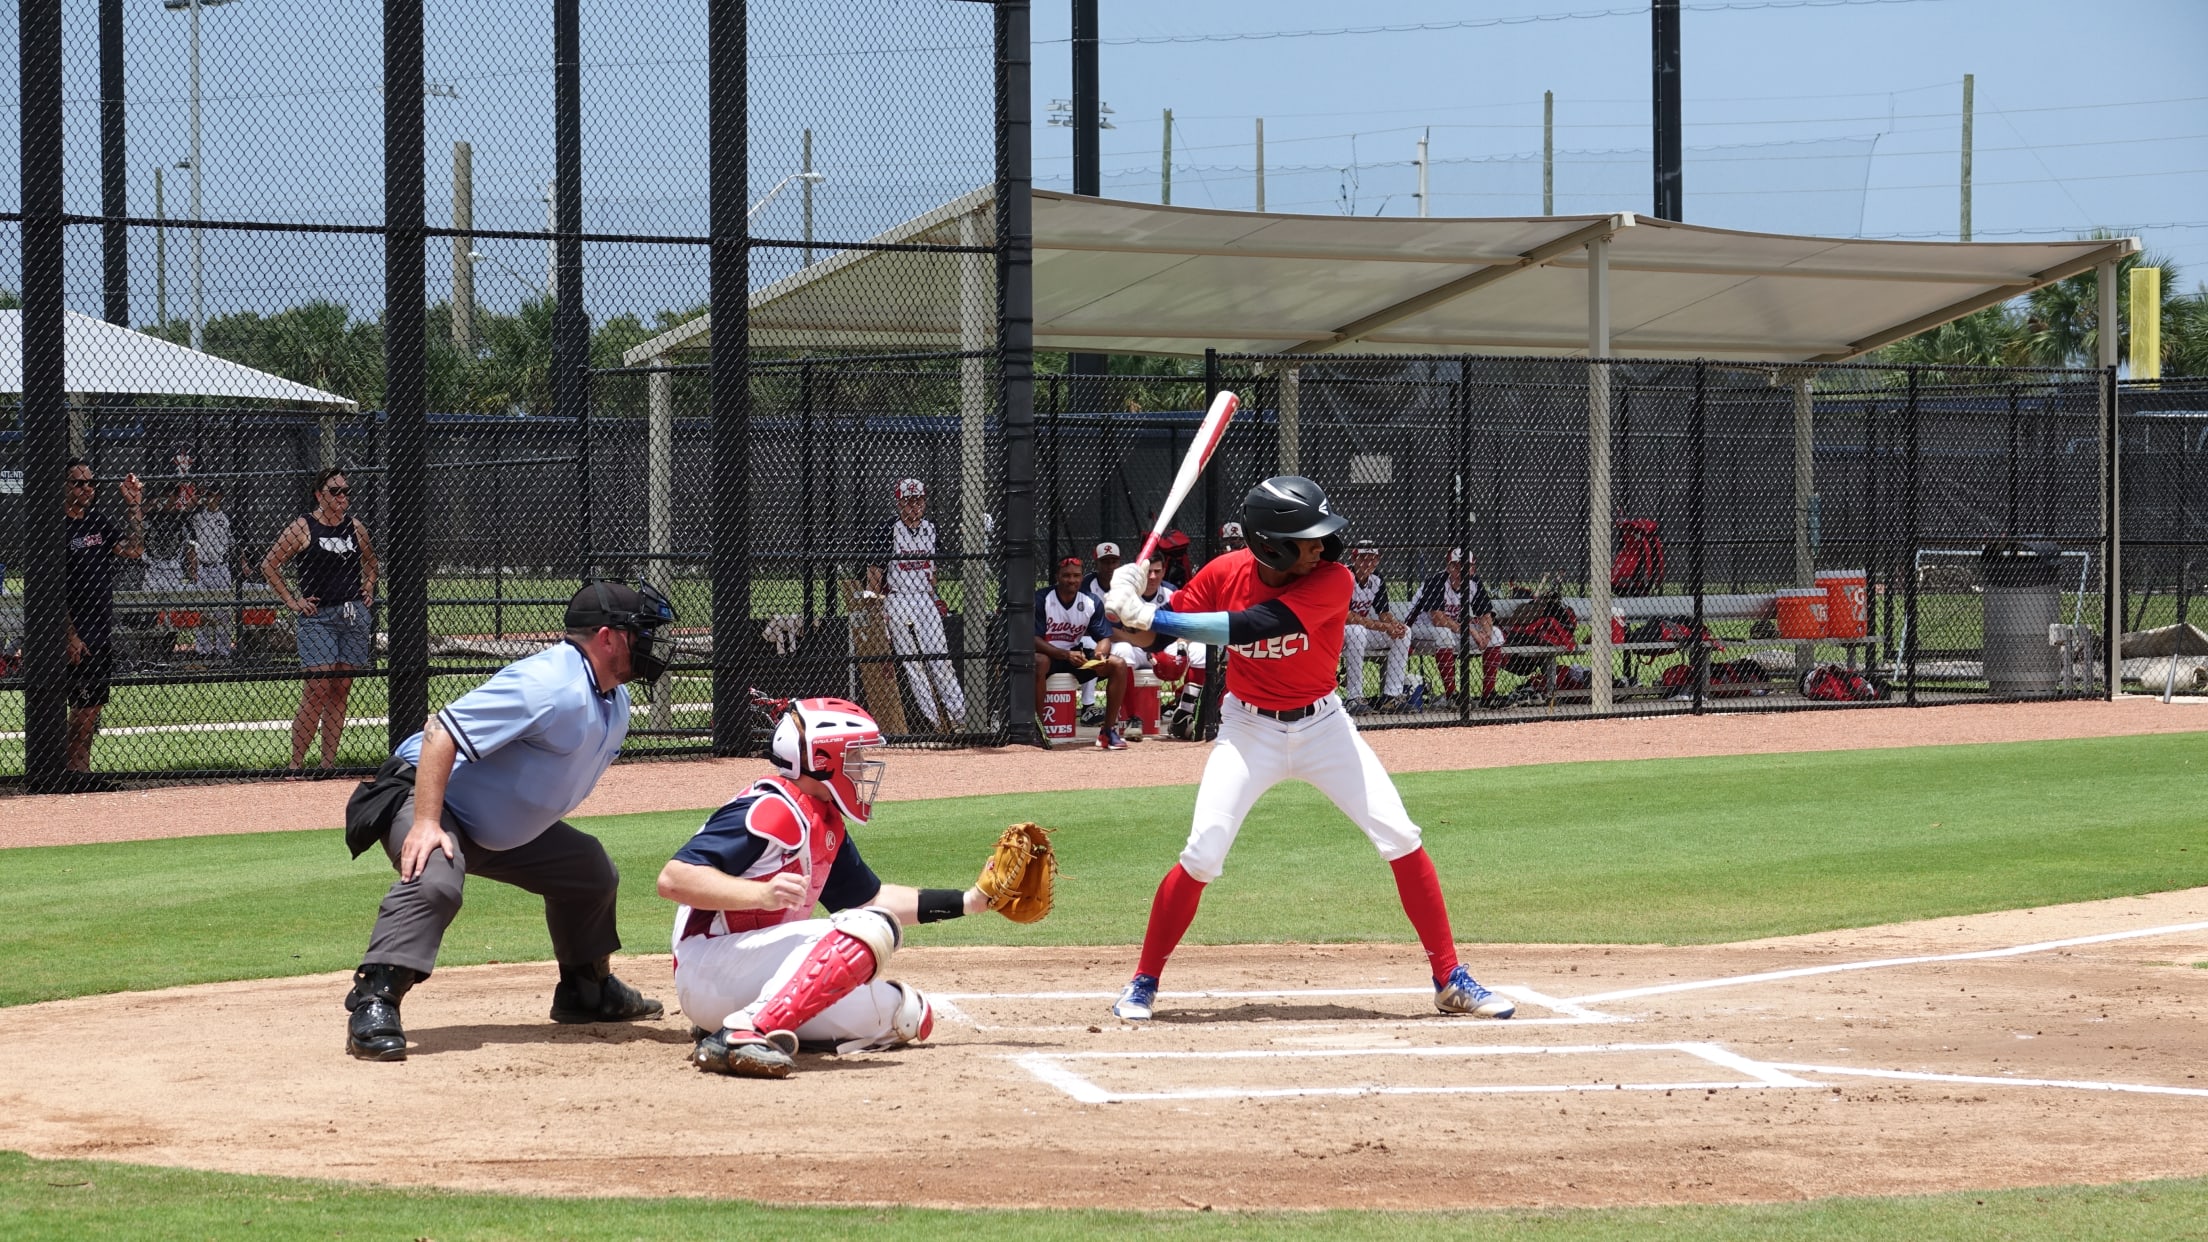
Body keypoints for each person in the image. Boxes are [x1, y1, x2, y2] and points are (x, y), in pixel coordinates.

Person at [1103, 476, 1514, 1022]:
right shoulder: (1225, 573)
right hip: (1248, 731)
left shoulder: (1335, 580)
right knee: (1204, 851)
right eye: (1308, 537)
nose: (1321, 546)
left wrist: (1155, 614)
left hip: (1324, 727)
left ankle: (1450, 978)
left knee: (1400, 834)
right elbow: (1156, 636)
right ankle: (1143, 982)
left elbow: (1249, 626)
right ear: (1271, 542)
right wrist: (1129, 606)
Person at [340, 580, 676, 1062]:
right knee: (436, 876)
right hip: (425, 793)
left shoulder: (611, 698)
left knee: (588, 870)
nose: (654, 643)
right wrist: (427, 822)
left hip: (487, 822)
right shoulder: (549, 684)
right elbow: (440, 732)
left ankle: (588, 989)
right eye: (642, 632)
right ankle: (375, 999)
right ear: (607, 637)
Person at [666, 695, 1016, 1079]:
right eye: (855, 756)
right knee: (871, 928)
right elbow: (675, 878)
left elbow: (872, 899)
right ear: (821, 760)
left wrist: (970, 901)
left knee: (906, 1013)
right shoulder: (772, 809)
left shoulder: (821, 819)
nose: (863, 766)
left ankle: (740, 1020)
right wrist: (759, 895)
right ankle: (741, 1033)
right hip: (708, 968)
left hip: (746, 978)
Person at [262, 469, 377, 775]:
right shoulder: (304, 527)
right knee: (316, 688)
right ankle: (296, 765)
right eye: (335, 491)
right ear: (319, 495)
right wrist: (292, 601)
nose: (343, 497)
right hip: (318, 618)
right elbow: (270, 565)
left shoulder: (355, 528)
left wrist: (368, 587)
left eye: (346, 491)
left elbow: (372, 564)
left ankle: (328, 765)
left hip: (352, 616)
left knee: (341, 688)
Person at [59, 459, 144, 791]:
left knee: (92, 709)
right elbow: (54, 589)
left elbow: (135, 550)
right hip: (75, 632)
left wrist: (134, 506)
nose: (86, 489)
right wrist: (69, 634)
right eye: (79, 483)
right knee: (79, 711)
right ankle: (65, 772)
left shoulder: (96, 522)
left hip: (100, 629)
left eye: (91, 483)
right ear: (64, 486)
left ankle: (82, 772)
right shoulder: (57, 527)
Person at [867, 478, 966, 733]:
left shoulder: (931, 529)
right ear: (899, 502)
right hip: (898, 597)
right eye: (909, 501)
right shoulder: (888, 529)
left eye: (919, 500)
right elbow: (875, 574)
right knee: (914, 664)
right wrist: (879, 610)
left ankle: (959, 715)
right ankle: (934, 720)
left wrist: (934, 594)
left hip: (924, 598)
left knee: (940, 658)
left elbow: (933, 570)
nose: (914, 506)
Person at [1034, 555, 1133, 749]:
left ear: (1082, 577)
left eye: (1076, 575)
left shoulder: (1091, 601)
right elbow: (1033, 639)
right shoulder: (1042, 598)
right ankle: (1038, 729)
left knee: (1118, 664)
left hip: (1075, 656)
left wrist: (1101, 653)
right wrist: (1064, 655)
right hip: (1050, 655)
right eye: (1067, 575)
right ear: (1057, 576)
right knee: (1040, 661)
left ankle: (1108, 731)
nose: (1072, 580)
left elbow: (1104, 636)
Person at [1408, 548, 1506, 709]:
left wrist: (1486, 635)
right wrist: (1473, 632)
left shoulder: (1474, 583)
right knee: (1443, 632)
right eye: (1456, 566)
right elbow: (1438, 619)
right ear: (1449, 567)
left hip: (1453, 632)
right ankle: (1452, 695)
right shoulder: (1437, 581)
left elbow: (1485, 615)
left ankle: (1488, 695)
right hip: (1420, 631)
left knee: (1496, 634)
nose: (1461, 570)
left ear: (1473, 568)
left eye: (1467, 566)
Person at [1341, 541, 1412, 714]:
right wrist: (1384, 626)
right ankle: (1354, 697)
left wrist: (1394, 625)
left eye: (1373, 559)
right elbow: (1348, 617)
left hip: (1362, 633)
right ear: (1354, 559)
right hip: (1337, 632)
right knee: (1356, 630)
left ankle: (1392, 697)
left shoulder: (1377, 578)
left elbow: (1383, 612)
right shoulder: (1344, 575)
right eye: (1364, 558)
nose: (1368, 563)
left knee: (1405, 633)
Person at [1077, 542, 1124, 726]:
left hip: (1118, 636)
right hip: (1090, 635)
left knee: (1125, 652)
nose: (1110, 567)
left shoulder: (1125, 585)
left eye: (1113, 561)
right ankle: (1088, 706)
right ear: (1097, 563)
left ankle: (1122, 710)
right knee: (1093, 648)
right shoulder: (1087, 584)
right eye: (1105, 562)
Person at [188, 483, 237, 657]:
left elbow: (234, 543)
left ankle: (223, 650)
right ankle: (203, 649)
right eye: (207, 495)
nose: (209, 498)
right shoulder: (198, 517)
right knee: (203, 610)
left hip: (221, 567)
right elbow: (188, 510)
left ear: (220, 496)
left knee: (223, 611)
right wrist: (197, 497)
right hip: (203, 566)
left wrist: (244, 562)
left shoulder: (226, 517)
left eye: (213, 494)